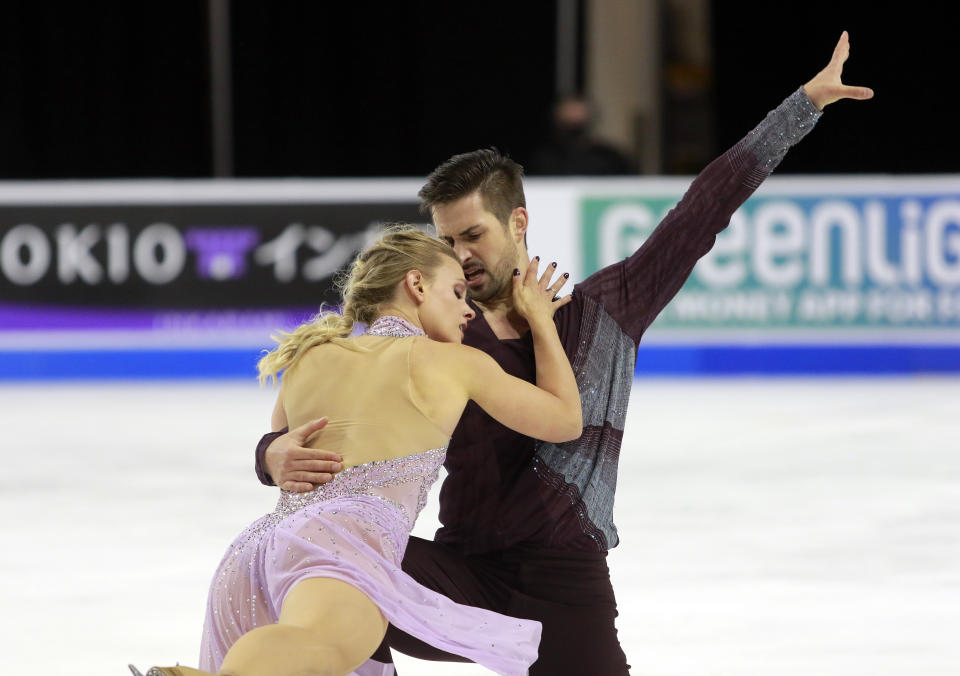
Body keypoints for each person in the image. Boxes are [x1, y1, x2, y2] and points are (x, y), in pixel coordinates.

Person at [256, 33, 873, 675]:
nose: (460, 255)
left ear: (517, 224)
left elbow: (702, 210)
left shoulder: (607, 310)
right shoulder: (436, 335)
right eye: (446, 240)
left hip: (566, 587)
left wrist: (803, 105)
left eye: (474, 234)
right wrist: (269, 454)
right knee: (339, 568)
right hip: (462, 569)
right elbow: (333, 397)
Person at [133, 227, 582, 676]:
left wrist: (268, 456)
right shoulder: (451, 363)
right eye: (458, 291)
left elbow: (285, 448)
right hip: (347, 544)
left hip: (259, 553)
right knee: (320, 646)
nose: (468, 310)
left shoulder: (311, 355)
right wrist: (540, 320)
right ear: (416, 284)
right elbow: (565, 421)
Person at [528, 94, 634, 175]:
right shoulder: (544, 158)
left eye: (579, 120)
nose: (574, 123)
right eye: (568, 119)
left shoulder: (609, 158)